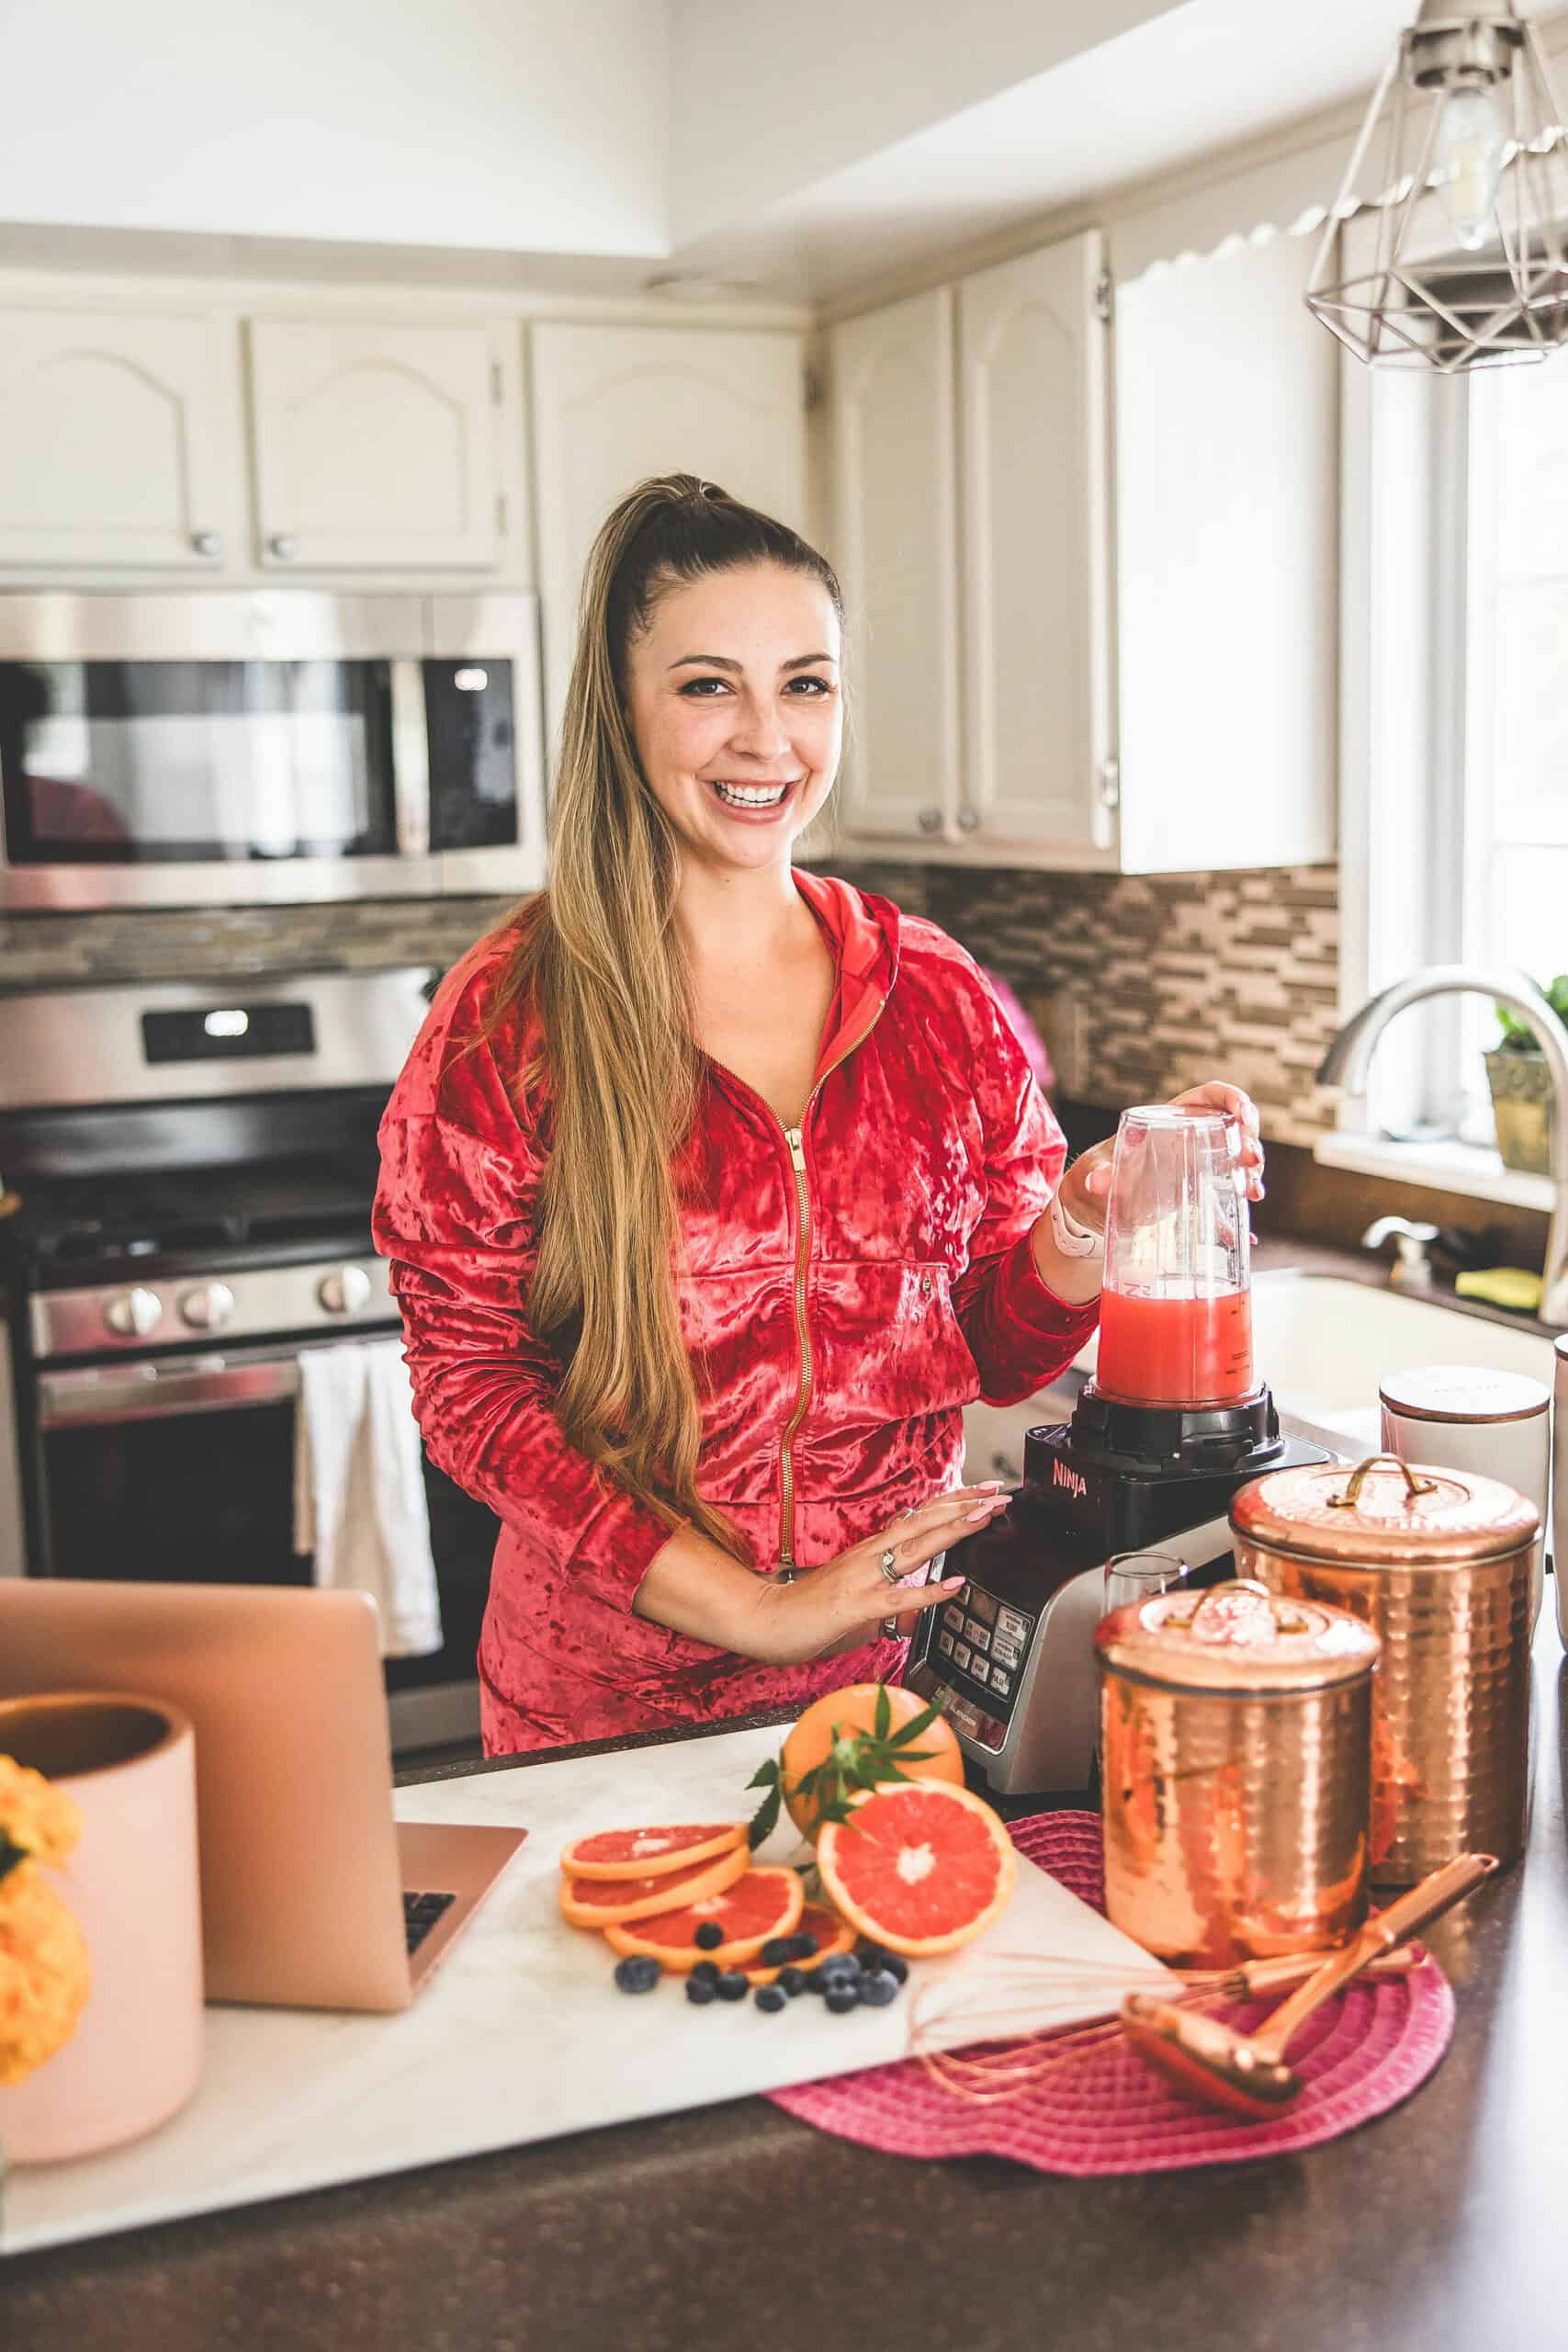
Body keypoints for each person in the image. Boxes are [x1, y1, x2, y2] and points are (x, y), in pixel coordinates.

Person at [373, 475, 1264, 1754]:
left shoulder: (937, 996)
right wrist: (760, 1612)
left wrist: (1077, 1226)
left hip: (901, 1691)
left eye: (804, 683)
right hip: (606, 1717)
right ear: (621, 712)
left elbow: (994, 1351)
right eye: (705, 686)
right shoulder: (513, 1013)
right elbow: (470, 1387)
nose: (766, 739)